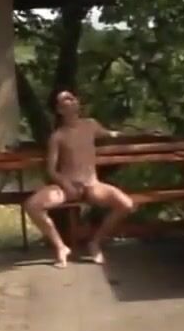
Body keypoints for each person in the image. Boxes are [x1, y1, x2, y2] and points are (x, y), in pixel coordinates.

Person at [24, 90, 135, 268]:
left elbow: (107, 133)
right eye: (64, 100)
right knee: (32, 206)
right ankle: (61, 247)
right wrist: (65, 183)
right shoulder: (58, 136)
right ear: (60, 110)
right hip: (67, 187)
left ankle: (95, 242)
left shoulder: (90, 124)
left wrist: (119, 134)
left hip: (92, 185)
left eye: (72, 98)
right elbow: (51, 170)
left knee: (126, 204)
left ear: (77, 103)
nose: (70, 101)